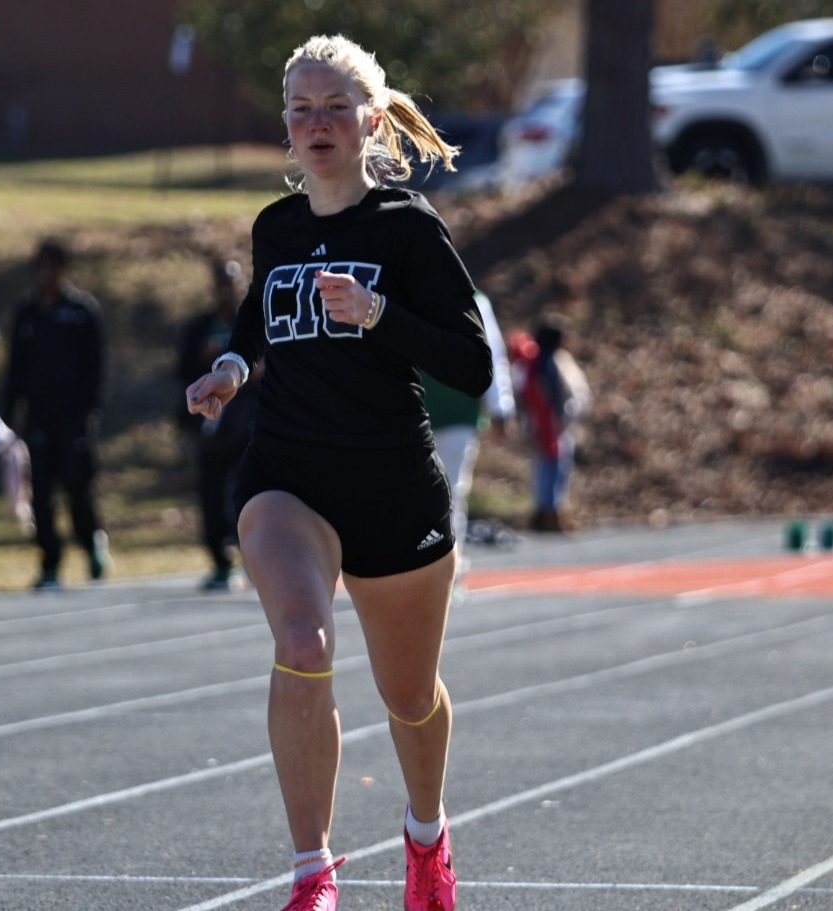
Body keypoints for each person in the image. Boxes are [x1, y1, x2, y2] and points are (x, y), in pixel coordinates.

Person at [183, 34, 491, 911]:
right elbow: (256, 316)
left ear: (368, 121)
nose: (316, 124)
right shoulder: (276, 227)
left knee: (409, 697)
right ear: (286, 129)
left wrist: (381, 311)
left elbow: (472, 364)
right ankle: (313, 873)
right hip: (290, 476)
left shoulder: (406, 228)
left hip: (394, 488)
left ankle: (427, 836)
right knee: (303, 643)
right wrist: (233, 370)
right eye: (300, 110)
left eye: (333, 108)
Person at [1, 238, 109, 590]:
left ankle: (91, 539)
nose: (44, 274)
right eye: (39, 266)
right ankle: (50, 563)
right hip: (39, 417)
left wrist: (90, 412)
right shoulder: (28, 313)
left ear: (63, 269)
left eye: (51, 266)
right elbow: (15, 367)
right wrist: (9, 411)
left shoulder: (81, 311)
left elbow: (96, 368)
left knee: (78, 486)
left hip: (74, 417)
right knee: (42, 492)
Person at [421, 289, 513, 588]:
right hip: (410, 412)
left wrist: (501, 408)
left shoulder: (474, 298)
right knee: (412, 495)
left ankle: (449, 567)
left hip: (457, 412)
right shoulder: (400, 284)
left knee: (451, 494)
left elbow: (493, 354)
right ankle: (414, 569)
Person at [175, 258, 257, 592]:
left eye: (231, 282)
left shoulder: (251, 326)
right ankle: (221, 561)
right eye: (220, 283)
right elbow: (184, 372)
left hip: (250, 426)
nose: (226, 289)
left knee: (248, 495)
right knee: (210, 493)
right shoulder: (200, 328)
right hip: (212, 425)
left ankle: (254, 559)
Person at [510, 312, 592, 532]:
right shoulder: (549, 363)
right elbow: (553, 394)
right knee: (555, 469)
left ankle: (548, 512)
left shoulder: (533, 363)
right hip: (553, 424)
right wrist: (559, 418)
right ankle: (550, 514)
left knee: (546, 469)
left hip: (541, 423)